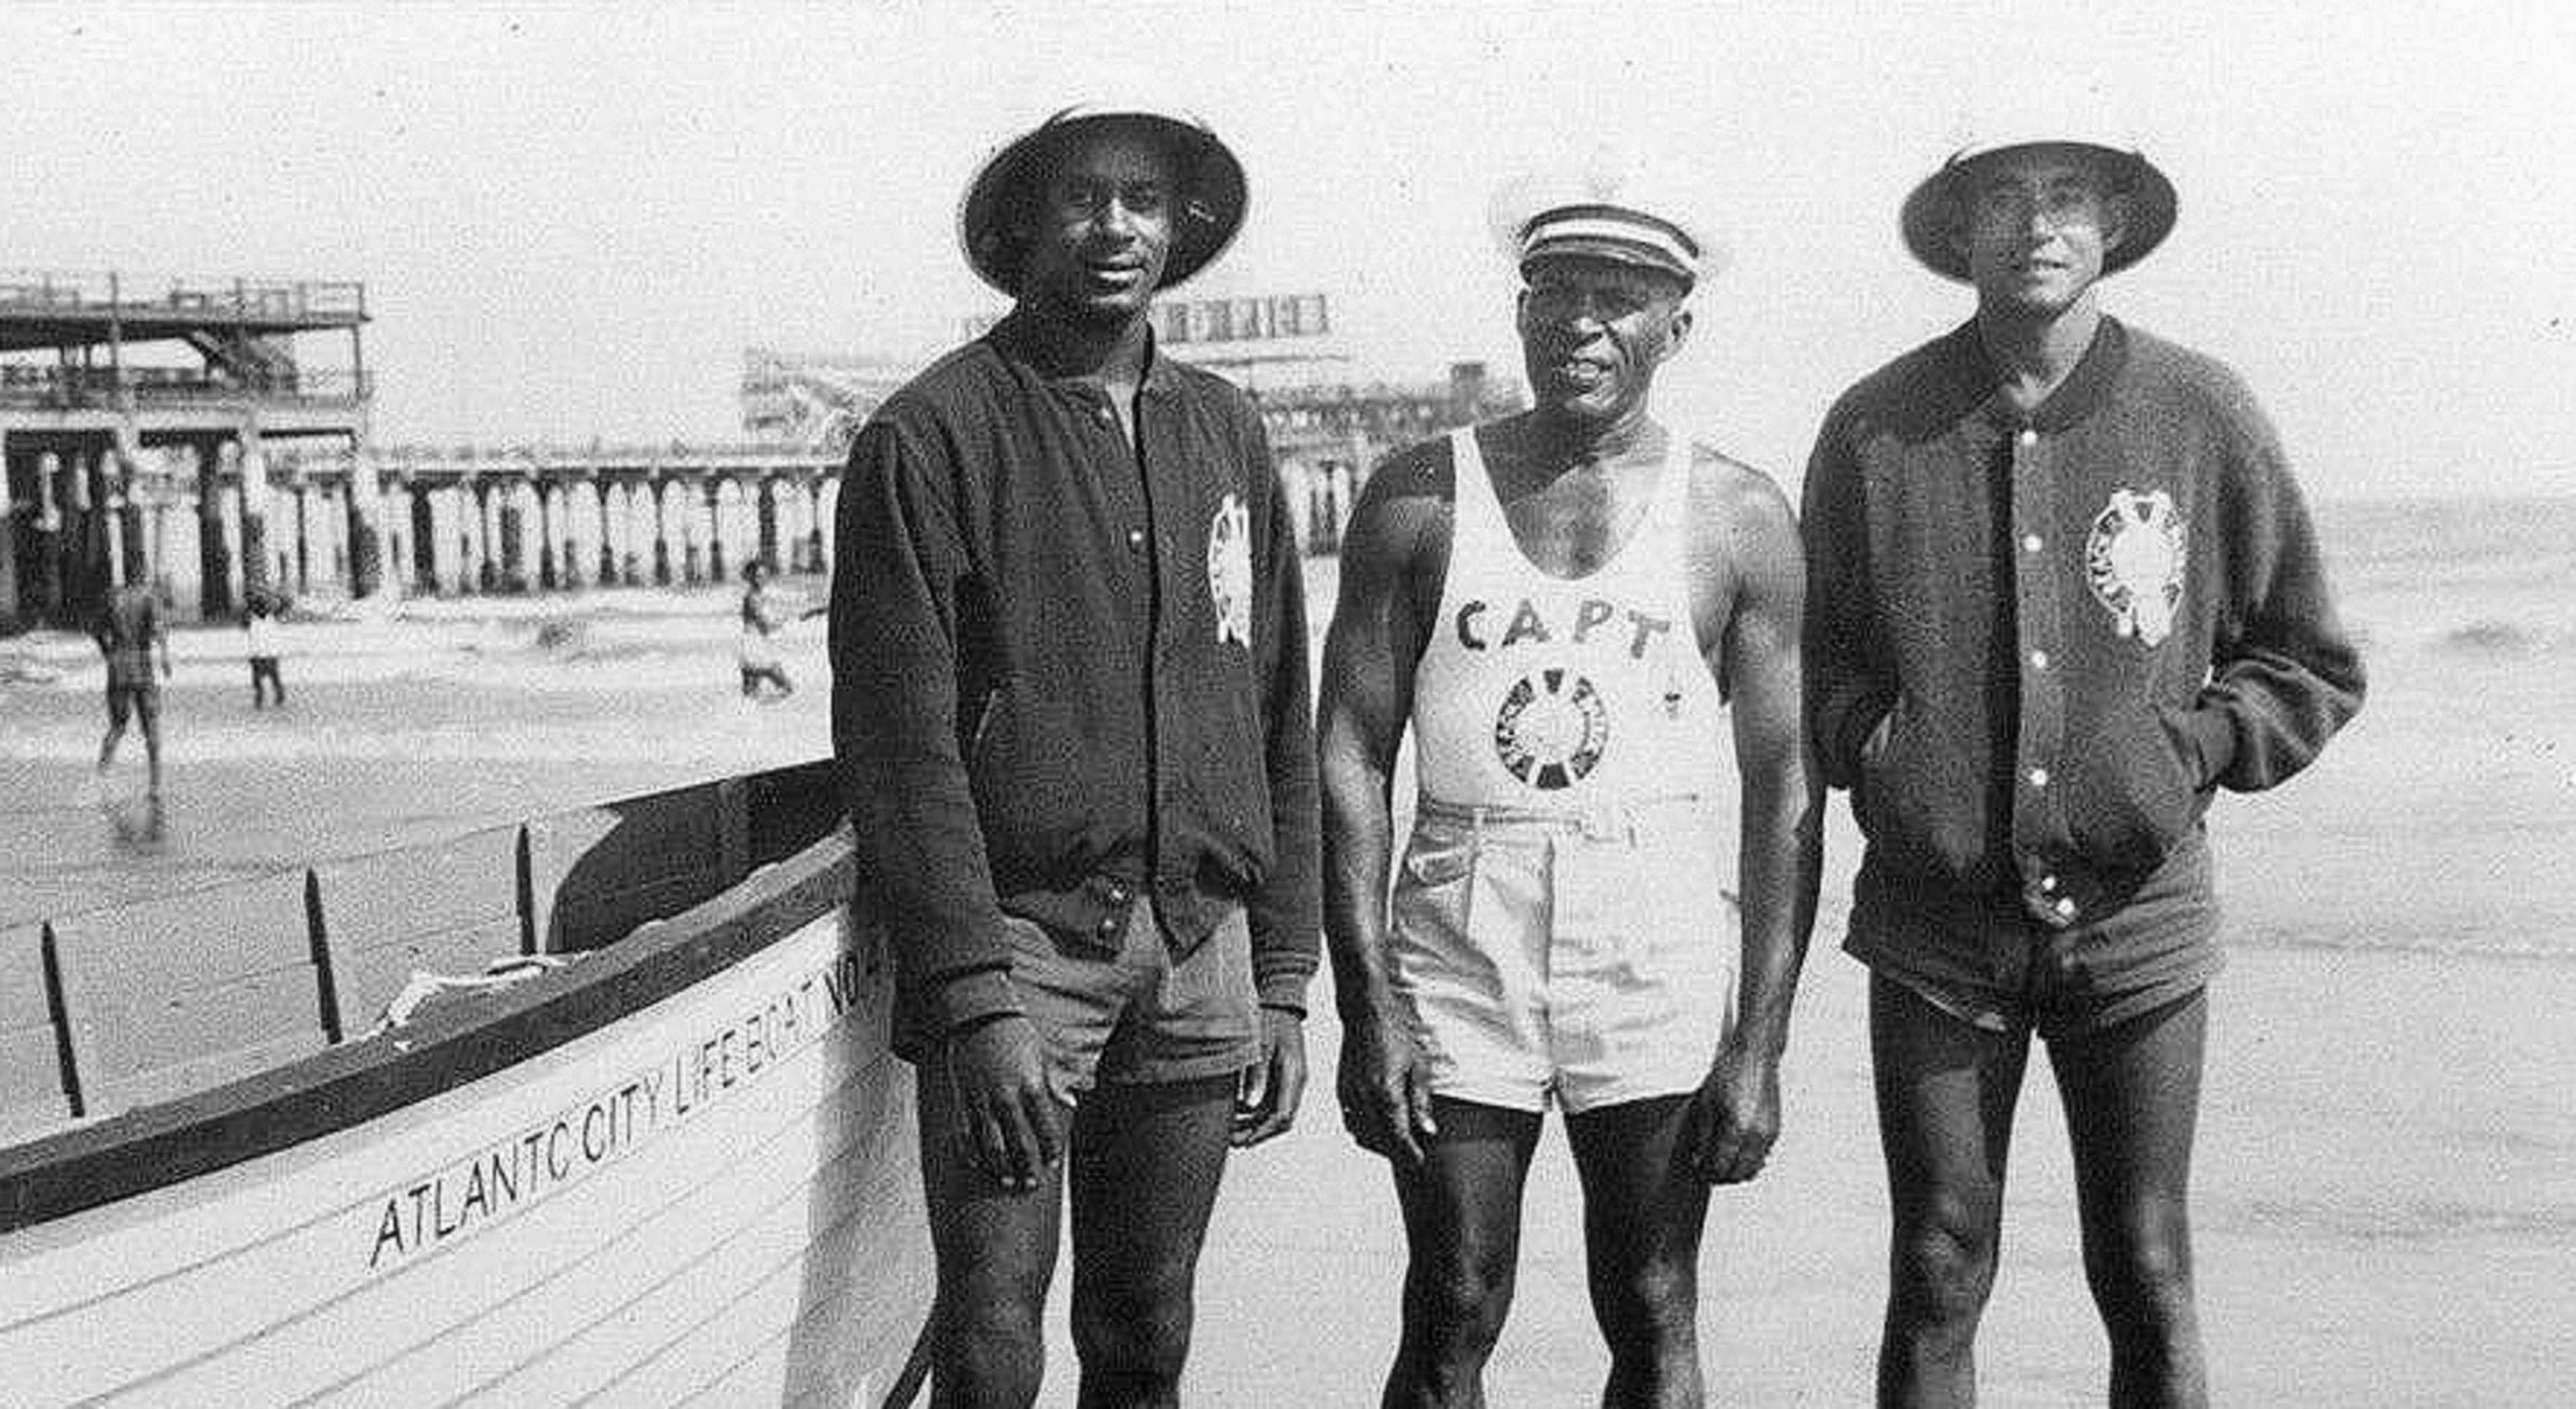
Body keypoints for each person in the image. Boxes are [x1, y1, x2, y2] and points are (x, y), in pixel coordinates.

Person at [1801, 123, 2366, 1408]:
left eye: (2067, 197)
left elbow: (2309, 658)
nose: (2035, 225)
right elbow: (1808, 654)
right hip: (1935, 927)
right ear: (1957, 233)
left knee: (2147, 1263)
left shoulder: (2199, 411)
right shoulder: (1874, 428)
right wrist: (1872, 747)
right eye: (2001, 199)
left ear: (2114, 222)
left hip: (2140, 926)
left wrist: (2194, 747)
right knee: (1938, 1263)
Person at [829, 104, 1316, 1409]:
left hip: (1200, 938)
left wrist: (1281, 973)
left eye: (1144, 200)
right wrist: (975, 999)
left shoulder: (1224, 429)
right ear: (1022, 222)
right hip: (1022, 948)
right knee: (991, 1341)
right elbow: (899, 749)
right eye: (1083, 199)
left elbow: (1277, 709)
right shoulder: (928, 437)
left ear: (1183, 225)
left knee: (1148, 1332)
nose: (1115, 229)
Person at [1316, 161, 1820, 1408]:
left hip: (1648, 927)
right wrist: (1365, 1002)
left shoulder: (1738, 515)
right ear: (1519, 313)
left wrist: (1758, 1042)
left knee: (1651, 1299)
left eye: (1618, 297)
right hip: (1460, 915)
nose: (1581, 324)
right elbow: (1346, 755)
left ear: (1676, 325)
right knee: (1454, 1297)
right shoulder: (1418, 496)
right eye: (1553, 295)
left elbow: (1785, 791)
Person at [93, 578, 173, 796]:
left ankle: (101, 778)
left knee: (117, 726)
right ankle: (155, 785)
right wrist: (165, 657)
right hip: (142, 665)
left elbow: (96, 631)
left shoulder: (112, 596)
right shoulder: (149, 596)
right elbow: (158, 629)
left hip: (118, 666)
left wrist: (108, 654)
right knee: (151, 726)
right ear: (142, 573)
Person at [736, 560, 807, 700]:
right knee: (787, 688)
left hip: (752, 647)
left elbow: (782, 597)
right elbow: (767, 627)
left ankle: (755, 712)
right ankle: (761, 707)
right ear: (751, 577)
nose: (763, 579)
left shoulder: (758, 595)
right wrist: (787, 619)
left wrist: (794, 611)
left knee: (750, 697)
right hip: (756, 648)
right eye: (759, 576)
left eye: (765, 575)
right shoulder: (753, 598)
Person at [244, 589, 285, 708]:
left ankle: (278, 696)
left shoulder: (271, 618)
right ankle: (261, 697)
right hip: (260, 654)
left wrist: (273, 597)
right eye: (257, 608)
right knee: (259, 680)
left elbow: (281, 605)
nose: (260, 610)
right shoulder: (253, 619)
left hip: (268, 654)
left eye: (262, 607)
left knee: (273, 678)